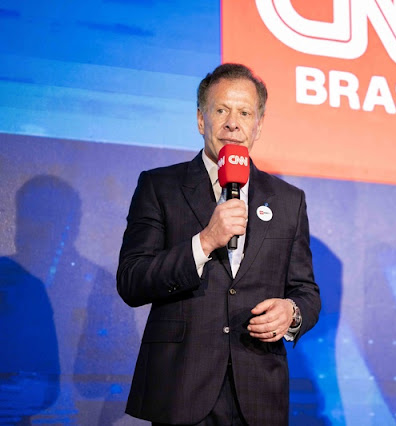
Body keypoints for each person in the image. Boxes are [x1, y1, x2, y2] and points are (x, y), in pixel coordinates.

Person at [117, 63, 321, 425]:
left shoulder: (289, 200)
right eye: (221, 110)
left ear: (258, 124)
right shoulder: (159, 186)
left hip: (258, 393)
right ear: (201, 120)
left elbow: (305, 291)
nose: (233, 123)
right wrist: (205, 241)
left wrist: (292, 313)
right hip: (181, 388)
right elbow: (132, 280)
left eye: (245, 112)